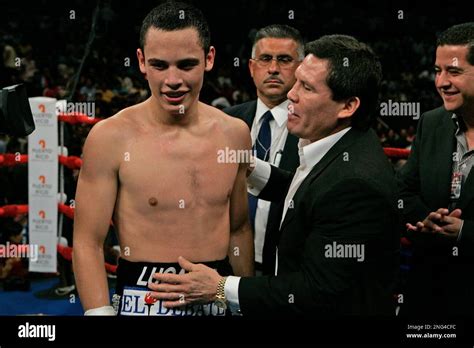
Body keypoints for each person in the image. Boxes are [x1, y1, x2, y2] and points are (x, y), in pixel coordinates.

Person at [149, 35, 400, 317]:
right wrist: (246, 165)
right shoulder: (341, 147)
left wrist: (220, 287)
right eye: (297, 81)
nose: (291, 94)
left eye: (306, 87)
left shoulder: (354, 184)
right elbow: (305, 196)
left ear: (347, 106)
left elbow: (318, 291)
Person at [72, 1, 254, 316]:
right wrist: (99, 313)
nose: (172, 80)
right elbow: (87, 240)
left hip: (217, 295)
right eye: (159, 65)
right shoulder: (110, 137)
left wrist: (243, 303)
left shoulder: (234, 134)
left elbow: (238, 229)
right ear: (141, 61)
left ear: (208, 59)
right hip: (141, 297)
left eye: (186, 65)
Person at [397, 22, 474, 316]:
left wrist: (465, 232)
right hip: (426, 289)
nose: (441, 81)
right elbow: (403, 189)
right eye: (438, 70)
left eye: (453, 71)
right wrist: (424, 219)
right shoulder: (432, 123)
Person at [224, 24, 302, 275]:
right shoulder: (226, 122)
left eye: (284, 60)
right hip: (227, 262)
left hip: (284, 268)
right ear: (251, 67)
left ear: (301, 68)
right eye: (266, 58)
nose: (273, 69)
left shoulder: (314, 128)